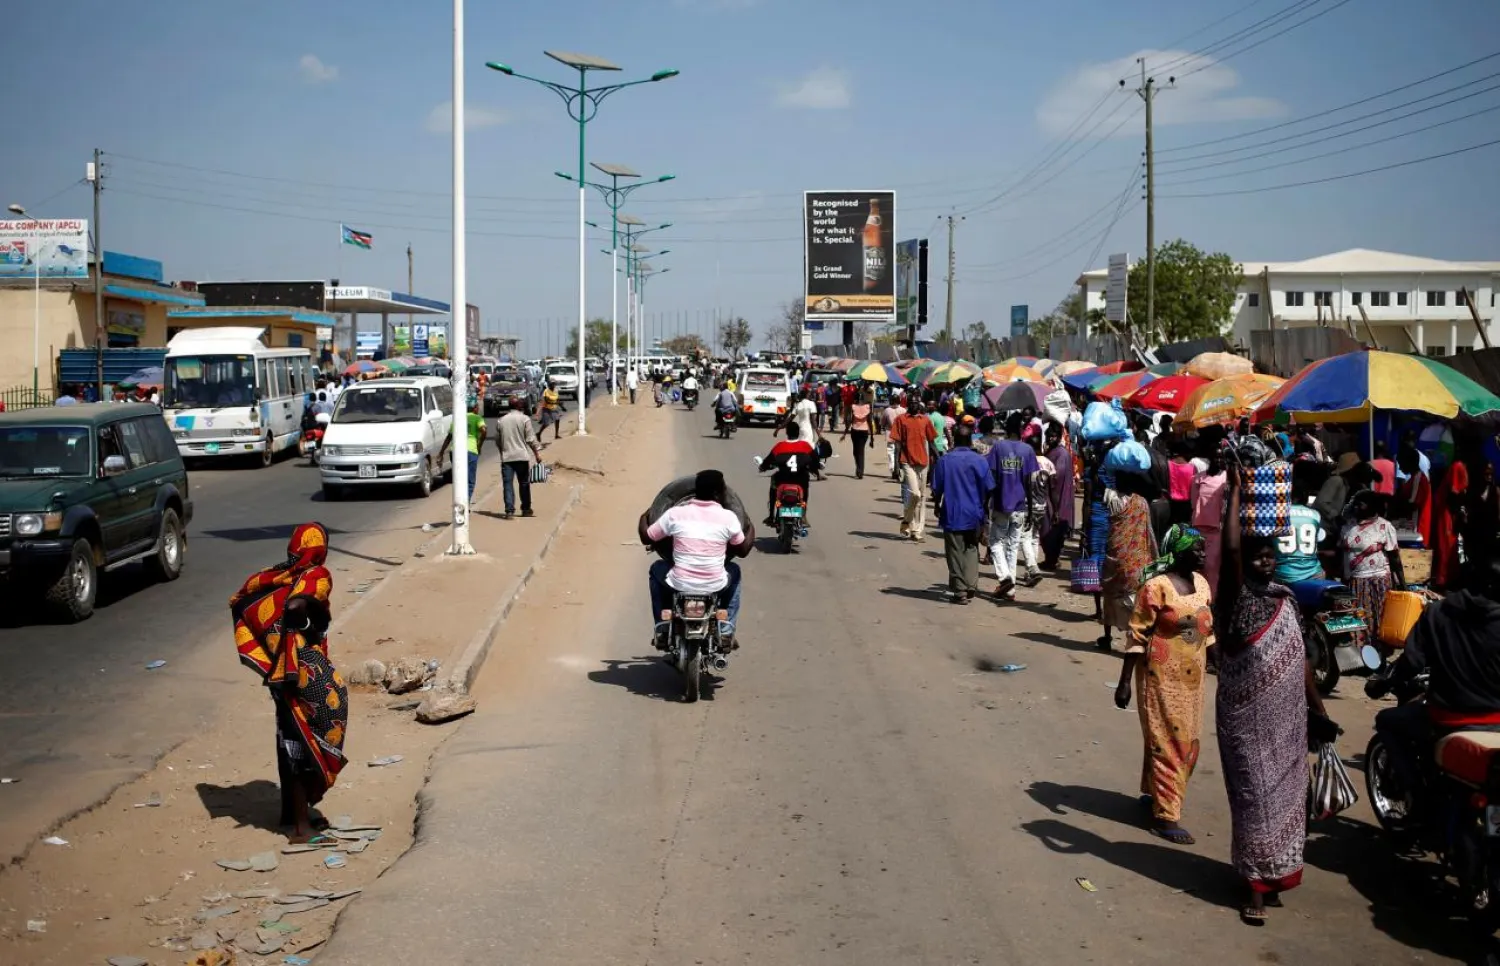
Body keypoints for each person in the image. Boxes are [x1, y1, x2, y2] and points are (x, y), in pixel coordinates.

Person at [1217, 466, 1335, 924]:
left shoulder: (1286, 598)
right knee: (1254, 797)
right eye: (1259, 557)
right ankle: (1255, 889)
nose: (1266, 562)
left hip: (1287, 723)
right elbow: (1230, 550)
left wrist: (1318, 710)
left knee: (1287, 798)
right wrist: (1235, 492)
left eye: (1270, 555)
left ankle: (1275, 875)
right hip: (1245, 721)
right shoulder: (1237, 596)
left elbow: (1302, 658)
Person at [229, 523, 347, 843]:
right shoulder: (316, 575)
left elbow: (242, 600)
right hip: (300, 670)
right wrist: (302, 620)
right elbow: (297, 604)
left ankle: (290, 813)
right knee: (302, 741)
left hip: (280, 671)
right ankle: (299, 829)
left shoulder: (275, 575)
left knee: (287, 736)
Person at [1115, 525, 1214, 847]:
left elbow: (1206, 630)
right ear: (1178, 551)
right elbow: (1137, 634)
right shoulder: (1155, 587)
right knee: (1169, 740)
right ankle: (1166, 816)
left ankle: (1156, 793)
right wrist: (1124, 684)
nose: (1203, 553)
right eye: (1196, 548)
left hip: (1194, 680)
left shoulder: (1201, 583)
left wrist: (1220, 668)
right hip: (1160, 678)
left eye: (1203, 547)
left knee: (1188, 740)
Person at [639, 469, 754, 646]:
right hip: (715, 584)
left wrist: (645, 516)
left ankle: (662, 628)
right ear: (718, 493)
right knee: (735, 571)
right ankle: (726, 631)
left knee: (656, 569)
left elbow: (647, 537)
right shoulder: (729, 518)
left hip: (679, 582)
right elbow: (743, 550)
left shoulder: (674, 514)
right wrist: (749, 524)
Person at [933, 424, 995, 604]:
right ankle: (970, 585)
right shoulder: (980, 461)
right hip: (974, 513)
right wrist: (983, 508)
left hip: (952, 512)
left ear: (954, 440)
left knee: (954, 551)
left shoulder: (945, 460)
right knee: (971, 548)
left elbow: (937, 488)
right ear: (970, 441)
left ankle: (960, 590)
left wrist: (937, 505)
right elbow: (990, 488)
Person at [1100, 472, 1159, 651]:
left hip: (1116, 556)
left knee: (1110, 596)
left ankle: (1107, 637)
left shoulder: (1111, 497)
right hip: (1137, 559)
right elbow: (1148, 530)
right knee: (1134, 603)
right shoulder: (1141, 502)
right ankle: (1135, 638)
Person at [985, 414, 1039, 599]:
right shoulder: (1028, 450)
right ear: (1022, 429)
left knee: (995, 542)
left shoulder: (998, 447)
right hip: (1020, 504)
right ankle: (1011, 589)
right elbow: (1028, 482)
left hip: (1001, 503)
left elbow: (991, 476)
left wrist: (987, 501)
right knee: (1013, 547)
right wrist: (1030, 510)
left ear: (1007, 428)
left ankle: (1004, 577)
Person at [1341, 489, 1406, 642]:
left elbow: (1395, 558)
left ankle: (1380, 651)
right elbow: (1342, 554)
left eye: (1361, 504)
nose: (1356, 507)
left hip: (1379, 580)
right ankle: (1364, 652)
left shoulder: (1385, 527)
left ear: (1373, 507)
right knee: (1360, 619)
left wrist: (1403, 584)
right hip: (1356, 581)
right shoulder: (1348, 526)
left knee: (1381, 617)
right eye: (1355, 504)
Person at [891, 403, 938, 541]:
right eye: (912, 400)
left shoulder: (925, 420)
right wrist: (896, 465)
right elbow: (897, 444)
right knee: (915, 494)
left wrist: (940, 458)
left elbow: (931, 442)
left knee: (922, 497)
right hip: (907, 461)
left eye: (917, 401)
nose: (915, 404)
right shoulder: (901, 419)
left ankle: (916, 530)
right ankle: (907, 521)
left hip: (923, 462)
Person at [760, 421, 818, 525]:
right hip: (800, 479)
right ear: (798, 432)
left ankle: (771, 516)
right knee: (805, 488)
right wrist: (814, 468)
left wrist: (763, 467)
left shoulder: (779, 446)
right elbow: (815, 460)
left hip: (783, 479)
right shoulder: (805, 446)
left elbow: (767, 461)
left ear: (787, 432)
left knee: (773, 485)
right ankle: (803, 515)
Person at [1020, 432, 1057, 587]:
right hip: (1042, 505)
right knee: (1034, 538)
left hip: (1028, 505)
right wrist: (1055, 509)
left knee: (1024, 537)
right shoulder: (1049, 463)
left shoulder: (1026, 462)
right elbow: (1052, 488)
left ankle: (1033, 568)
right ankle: (1030, 572)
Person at [497, 396, 543, 518]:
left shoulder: (501, 420)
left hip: (507, 458)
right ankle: (526, 509)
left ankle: (509, 511)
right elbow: (530, 439)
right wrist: (537, 453)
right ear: (519, 406)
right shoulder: (524, 419)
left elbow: (498, 441)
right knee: (524, 483)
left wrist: (503, 451)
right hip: (522, 457)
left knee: (508, 484)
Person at [1431, 456, 1471, 589]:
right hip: (1446, 510)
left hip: (1450, 509)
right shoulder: (1458, 466)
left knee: (1451, 544)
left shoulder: (1462, 466)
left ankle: (1450, 577)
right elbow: (1453, 493)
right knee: (1446, 545)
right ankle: (1444, 580)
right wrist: (1460, 511)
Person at [1041, 423, 1075, 570]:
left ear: (1059, 437)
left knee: (1052, 530)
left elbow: (1056, 477)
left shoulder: (1061, 454)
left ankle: (1052, 560)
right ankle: (1051, 558)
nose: (1050, 437)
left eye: (1053, 435)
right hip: (1050, 496)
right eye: (1049, 435)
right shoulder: (1052, 451)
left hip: (1057, 498)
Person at [841, 390, 874, 480]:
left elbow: (850, 421)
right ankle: (860, 470)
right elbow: (870, 421)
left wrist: (845, 433)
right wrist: (871, 437)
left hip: (855, 431)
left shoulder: (853, 407)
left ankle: (859, 471)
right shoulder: (867, 407)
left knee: (856, 451)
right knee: (860, 451)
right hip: (864, 431)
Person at [463, 399, 487, 503]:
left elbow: (449, 436)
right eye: (478, 407)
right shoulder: (477, 418)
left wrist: (441, 452)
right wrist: (479, 445)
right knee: (470, 480)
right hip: (471, 450)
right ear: (475, 408)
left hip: (455, 451)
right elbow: (484, 431)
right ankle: (466, 501)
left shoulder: (458, 417)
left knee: (460, 478)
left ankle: (460, 500)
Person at [882, 393, 907, 481]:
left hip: (890, 435)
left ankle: (894, 470)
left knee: (891, 453)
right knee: (900, 453)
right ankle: (899, 470)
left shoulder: (887, 410)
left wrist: (884, 427)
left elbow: (883, 422)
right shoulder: (904, 410)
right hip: (901, 435)